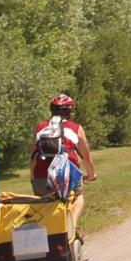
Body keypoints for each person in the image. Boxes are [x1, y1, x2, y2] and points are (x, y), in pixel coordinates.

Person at [30, 94, 96, 226]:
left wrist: (33, 178)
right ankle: (72, 224)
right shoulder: (76, 128)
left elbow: (33, 157)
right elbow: (87, 157)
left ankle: (50, 231)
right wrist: (90, 175)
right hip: (67, 177)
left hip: (41, 179)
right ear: (69, 111)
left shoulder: (39, 127)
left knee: (46, 204)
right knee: (78, 197)